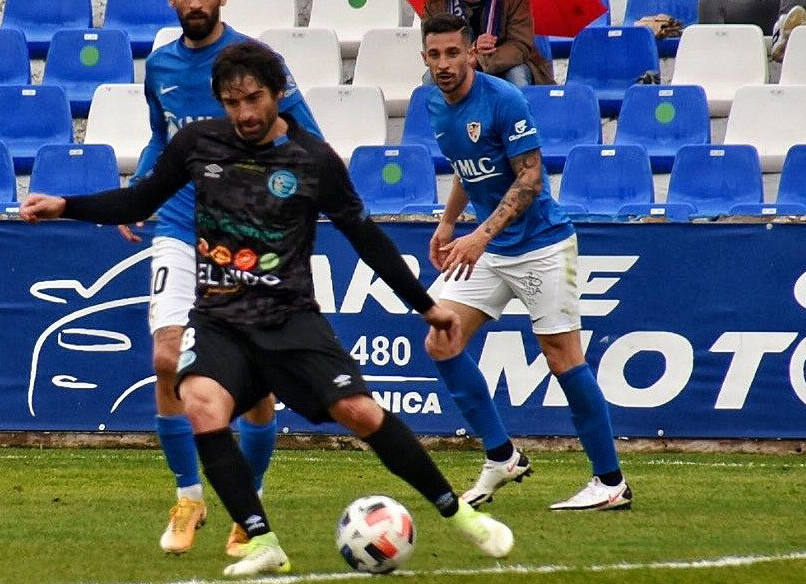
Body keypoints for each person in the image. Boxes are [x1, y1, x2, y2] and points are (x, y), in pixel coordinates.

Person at [21, 41, 515, 577]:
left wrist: (426, 307)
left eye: (254, 98)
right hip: (220, 320)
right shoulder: (197, 144)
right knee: (202, 407)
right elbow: (140, 201)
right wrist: (65, 205)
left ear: (278, 94)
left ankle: (460, 514)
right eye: (233, 103)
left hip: (289, 321)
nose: (245, 113)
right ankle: (262, 540)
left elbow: (367, 239)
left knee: (360, 413)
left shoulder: (313, 160)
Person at [119, 0, 324, 556]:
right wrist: (141, 188)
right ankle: (188, 497)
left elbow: (307, 137)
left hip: (245, 235)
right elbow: (162, 138)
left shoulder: (255, 63)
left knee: (255, 379)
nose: (194, 3)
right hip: (179, 226)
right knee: (167, 358)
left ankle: (246, 507)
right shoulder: (160, 65)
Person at [419, 14, 632, 511]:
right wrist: (448, 223)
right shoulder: (433, 102)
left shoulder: (503, 99)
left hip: (541, 244)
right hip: (491, 248)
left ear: (471, 52)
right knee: (441, 336)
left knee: (562, 358)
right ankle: (502, 456)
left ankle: (610, 483)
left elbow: (530, 178)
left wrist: (478, 235)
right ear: (425, 58)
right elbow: (467, 166)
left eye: (453, 53)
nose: (444, 64)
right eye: (435, 55)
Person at [421, 0, 554, 87]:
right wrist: (469, 52)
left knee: (516, 75)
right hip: (455, 61)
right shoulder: (436, 3)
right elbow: (431, 46)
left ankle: (521, 121)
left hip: (504, 63)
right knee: (429, 79)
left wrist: (479, 59)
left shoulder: (515, 2)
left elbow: (520, 46)